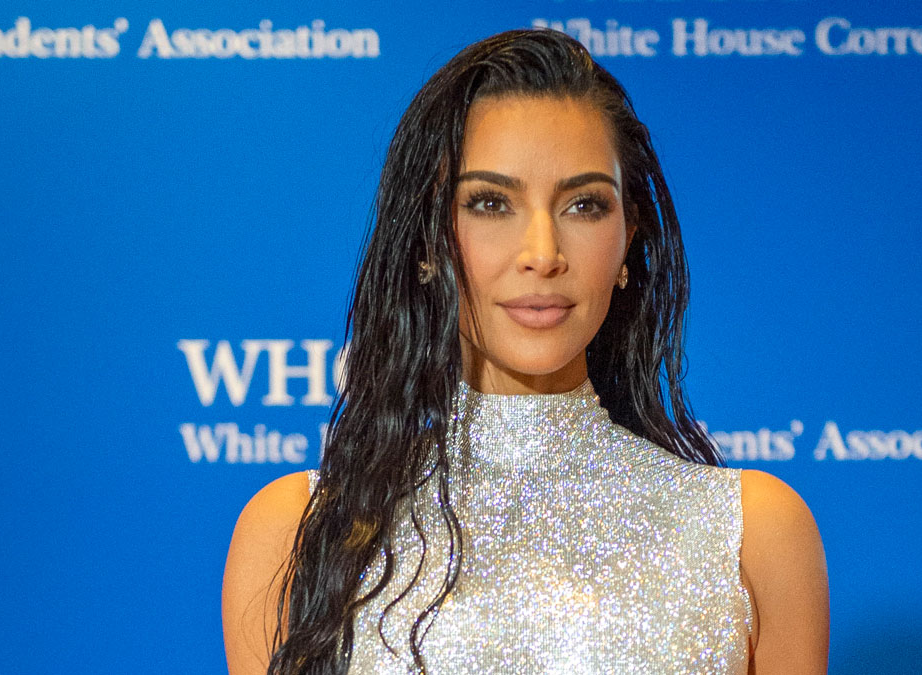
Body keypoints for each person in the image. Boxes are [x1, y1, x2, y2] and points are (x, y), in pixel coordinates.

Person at [222, 28, 828, 675]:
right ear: (427, 241)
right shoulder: (297, 531)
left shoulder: (750, 532)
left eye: (584, 205)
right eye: (491, 203)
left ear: (628, 238)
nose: (542, 253)